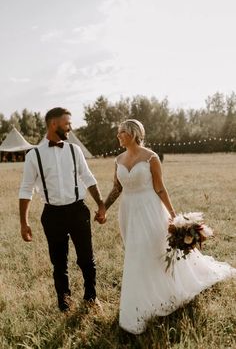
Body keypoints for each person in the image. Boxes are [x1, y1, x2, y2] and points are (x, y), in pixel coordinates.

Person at [104, 119, 236, 334]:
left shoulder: (151, 158)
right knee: (135, 252)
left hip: (150, 209)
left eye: (121, 132)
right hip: (128, 211)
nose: (118, 136)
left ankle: (152, 299)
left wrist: (175, 218)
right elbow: (116, 188)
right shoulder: (118, 159)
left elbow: (161, 189)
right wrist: (103, 208)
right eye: (118, 132)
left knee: (154, 250)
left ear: (133, 133)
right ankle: (145, 292)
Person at [19, 107, 106, 312]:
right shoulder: (33, 156)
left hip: (78, 211)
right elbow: (26, 189)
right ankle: (64, 304)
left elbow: (88, 178)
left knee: (86, 258)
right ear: (54, 124)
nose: (70, 127)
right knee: (59, 263)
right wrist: (24, 222)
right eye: (67, 123)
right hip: (52, 215)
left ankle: (91, 297)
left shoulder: (75, 151)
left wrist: (101, 204)